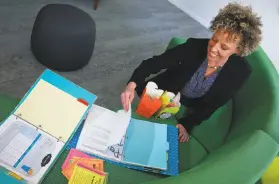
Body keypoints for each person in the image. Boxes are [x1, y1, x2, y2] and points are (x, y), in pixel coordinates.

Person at [121, 3, 262, 143]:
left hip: (195, 103)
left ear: (238, 50)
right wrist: (131, 85)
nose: (213, 49)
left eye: (224, 47)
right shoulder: (194, 46)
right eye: (214, 39)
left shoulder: (240, 72)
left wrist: (186, 124)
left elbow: (212, 105)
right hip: (169, 88)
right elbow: (154, 63)